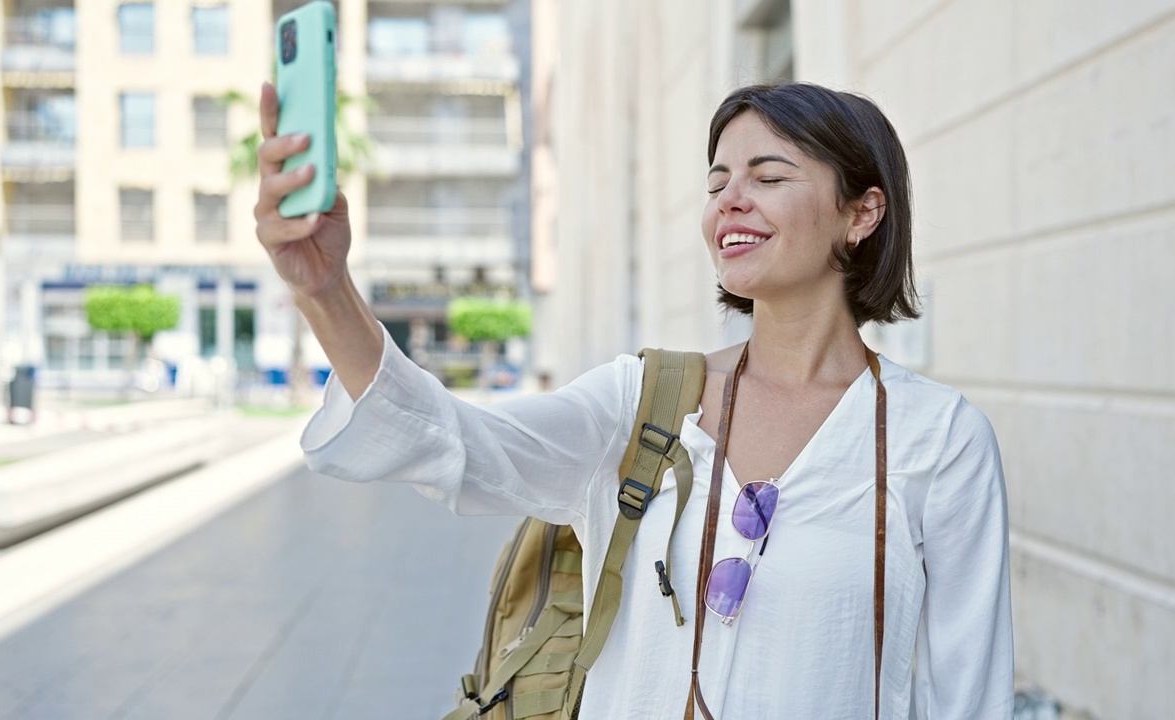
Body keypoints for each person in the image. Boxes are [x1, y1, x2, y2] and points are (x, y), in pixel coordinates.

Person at [254, 81, 1013, 719]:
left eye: (768, 177)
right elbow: (454, 443)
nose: (730, 203)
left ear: (861, 213)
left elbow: (966, 696)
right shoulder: (642, 401)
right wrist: (323, 291)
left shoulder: (938, 439)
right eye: (718, 183)